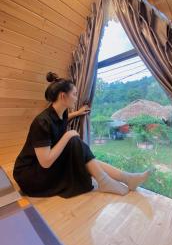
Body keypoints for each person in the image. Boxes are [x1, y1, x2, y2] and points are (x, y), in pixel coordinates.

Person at [13, 72, 151, 198]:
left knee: (80, 151)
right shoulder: (41, 122)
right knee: (73, 140)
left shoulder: (62, 114)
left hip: (43, 165)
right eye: (74, 94)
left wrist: (78, 113)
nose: (76, 97)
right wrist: (68, 136)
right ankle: (106, 180)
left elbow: (64, 120)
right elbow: (45, 162)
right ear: (63, 96)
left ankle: (127, 178)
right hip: (31, 175)